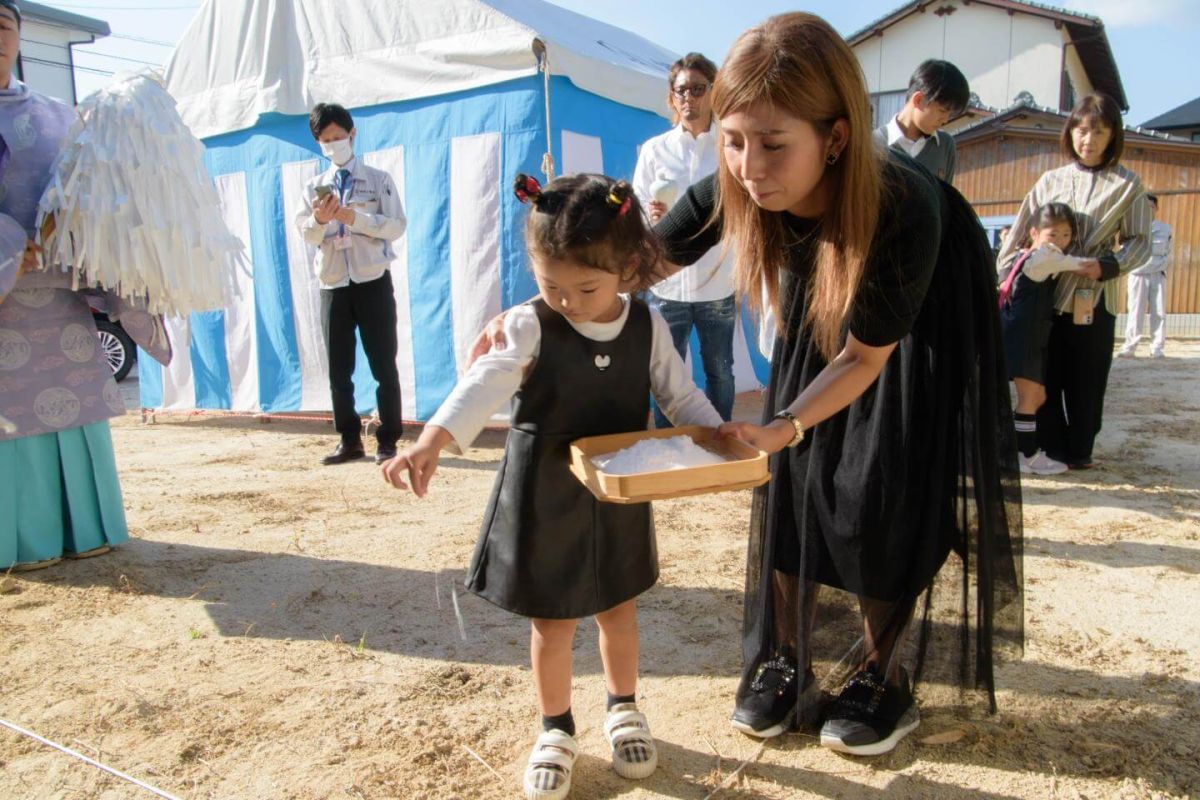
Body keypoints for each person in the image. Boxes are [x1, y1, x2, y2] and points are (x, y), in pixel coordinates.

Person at [470, 14, 1023, 758]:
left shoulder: (902, 205)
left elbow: (864, 359)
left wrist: (786, 420)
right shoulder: (731, 184)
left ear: (834, 138)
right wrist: (534, 312)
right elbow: (630, 272)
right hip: (818, 304)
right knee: (791, 481)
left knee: (877, 483)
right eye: (732, 140)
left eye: (773, 145)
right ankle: (786, 660)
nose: (749, 166)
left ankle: (878, 674)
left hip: (910, 316)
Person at [383, 174, 722, 798]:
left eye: (586, 288)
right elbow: (487, 380)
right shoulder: (531, 324)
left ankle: (624, 708)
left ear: (628, 268)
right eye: (550, 285)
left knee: (619, 607)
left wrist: (719, 437)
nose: (568, 301)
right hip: (545, 492)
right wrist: (433, 437)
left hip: (617, 488)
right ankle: (556, 728)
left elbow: (680, 394)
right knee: (553, 622)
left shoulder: (648, 326)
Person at [1, 0, 169, 571]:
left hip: (57, 297)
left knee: (71, 411)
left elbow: (96, 201)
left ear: (19, 38)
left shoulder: (60, 117)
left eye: (4, 27)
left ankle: (85, 530)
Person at [997, 94, 1153, 470]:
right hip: (1043, 301)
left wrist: (1106, 266)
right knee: (1043, 376)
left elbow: (1140, 241)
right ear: (1071, 133)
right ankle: (1050, 448)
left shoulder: (1128, 185)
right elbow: (1020, 232)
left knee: (1087, 379)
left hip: (1093, 298)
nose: (1089, 139)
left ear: (1113, 135)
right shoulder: (1051, 180)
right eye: (1082, 130)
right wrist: (1005, 281)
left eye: (1098, 131)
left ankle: (1080, 449)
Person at [297, 103, 407, 466]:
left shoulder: (378, 179)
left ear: (352, 134)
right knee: (338, 367)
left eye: (339, 137)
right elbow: (306, 235)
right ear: (318, 142)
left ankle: (388, 439)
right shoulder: (313, 186)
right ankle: (348, 439)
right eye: (326, 141)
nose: (334, 145)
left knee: (383, 363)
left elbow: (396, 226)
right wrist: (318, 219)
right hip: (333, 283)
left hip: (372, 279)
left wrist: (354, 218)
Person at [632, 52, 737, 425]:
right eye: (681, 90)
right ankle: (668, 446)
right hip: (667, 285)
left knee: (720, 371)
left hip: (717, 281)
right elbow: (637, 207)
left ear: (713, 91)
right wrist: (653, 217)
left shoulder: (731, 147)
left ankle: (718, 442)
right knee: (665, 375)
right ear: (671, 97)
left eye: (698, 88)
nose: (689, 98)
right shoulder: (654, 150)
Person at [998, 203, 1091, 475]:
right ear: (1035, 232)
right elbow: (1081, 265)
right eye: (1053, 234)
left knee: (1036, 395)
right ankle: (1024, 455)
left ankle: (1022, 451)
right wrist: (1108, 262)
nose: (1061, 241)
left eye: (1066, 235)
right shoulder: (1043, 256)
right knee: (1030, 397)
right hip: (1025, 335)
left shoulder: (1022, 255)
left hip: (1022, 333)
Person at [872, 59, 969, 183]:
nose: (945, 119)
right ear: (918, 100)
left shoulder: (945, 146)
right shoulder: (871, 145)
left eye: (950, 114)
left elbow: (944, 200)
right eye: (943, 110)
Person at [1119, 194, 1171, 358]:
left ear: (1156, 208)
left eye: (1151, 206)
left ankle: (1157, 347)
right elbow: (1125, 251)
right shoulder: (1131, 228)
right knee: (1135, 310)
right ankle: (1130, 346)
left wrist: (1153, 265)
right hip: (1137, 275)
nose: (1148, 210)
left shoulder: (1165, 229)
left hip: (1157, 275)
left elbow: (1167, 253)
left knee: (1159, 311)